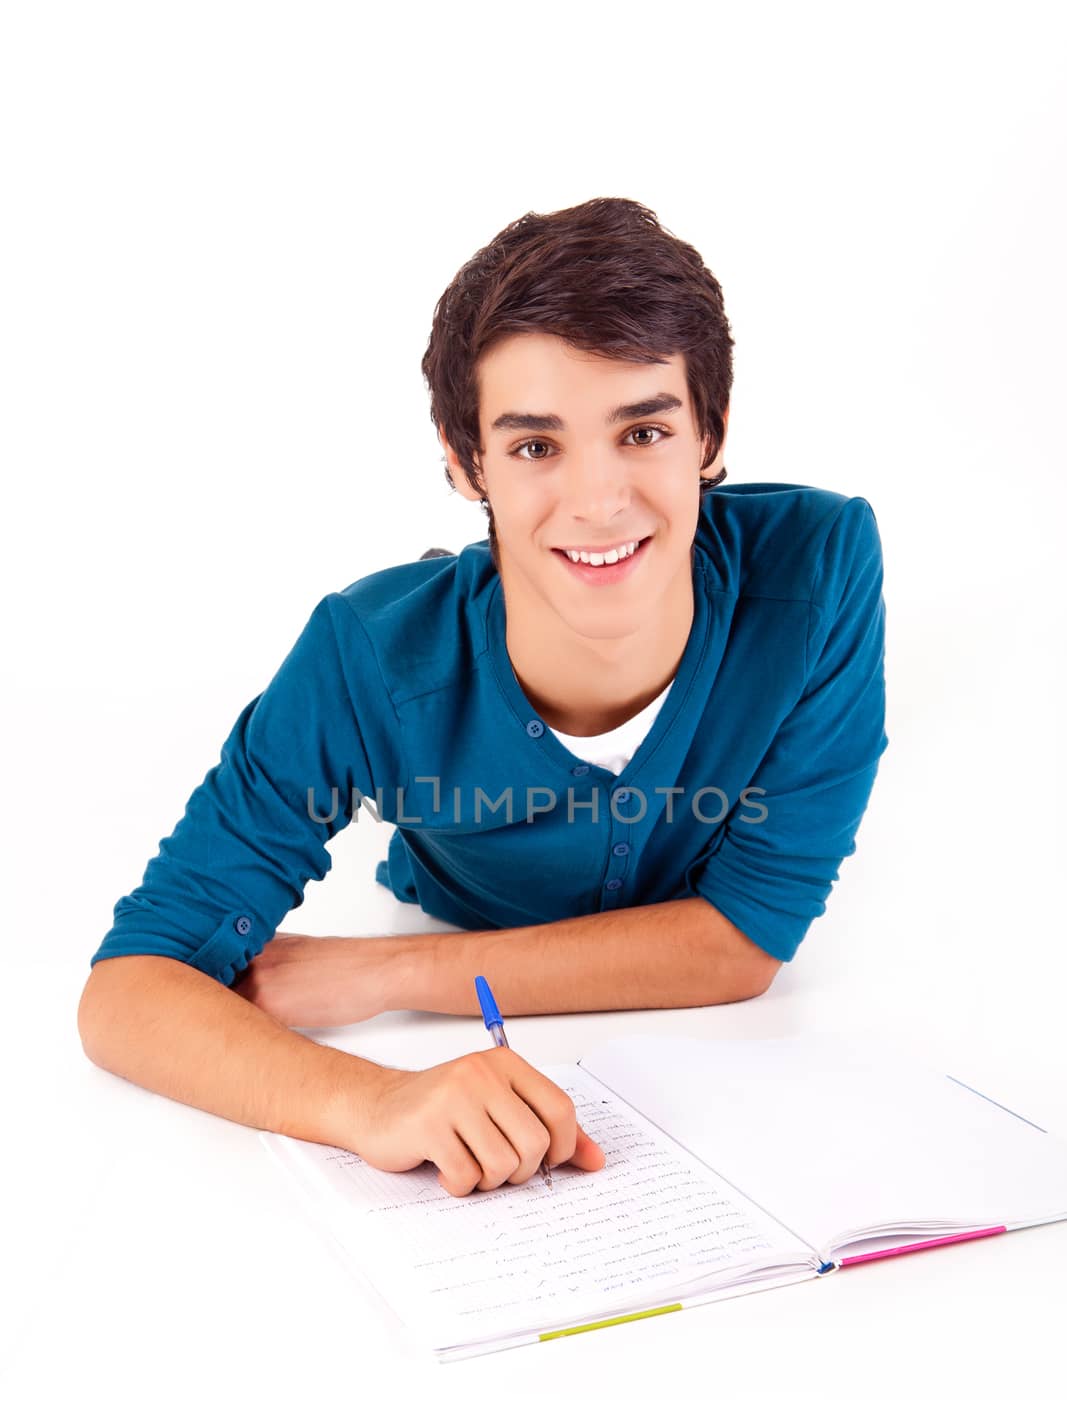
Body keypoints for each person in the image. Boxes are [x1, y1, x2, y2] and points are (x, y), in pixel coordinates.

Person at [78, 196, 888, 1197]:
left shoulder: (820, 568)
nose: (598, 498)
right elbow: (126, 991)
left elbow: (740, 942)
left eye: (641, 430)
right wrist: (375, 1100)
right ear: (466, 464)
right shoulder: (365, 656)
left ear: (710, 435)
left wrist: (385, 976)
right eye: (534, 446)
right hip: (442, 796)